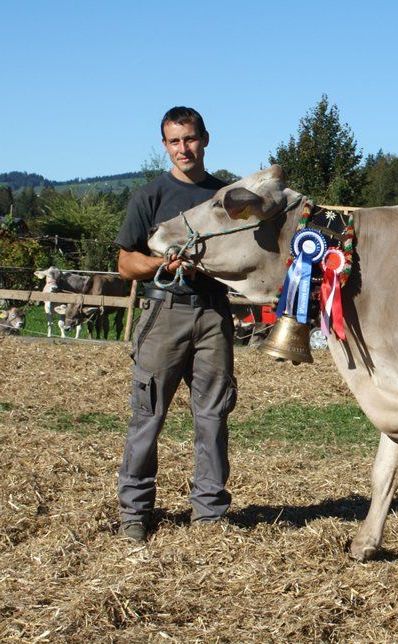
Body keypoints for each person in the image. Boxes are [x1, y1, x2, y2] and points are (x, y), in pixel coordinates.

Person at [115, 106, 236, 543]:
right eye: (174, 141)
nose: (183, 148)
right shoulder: (150, 196)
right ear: (164, 145)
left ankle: (209, 513)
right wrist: (159, 263)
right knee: (149, 414)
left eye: (190, 139)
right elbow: (125, 262)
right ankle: (135, 511)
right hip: (164, 312)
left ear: (206, 139)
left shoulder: (228, 197)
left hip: (214, 314)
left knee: (213, 415)